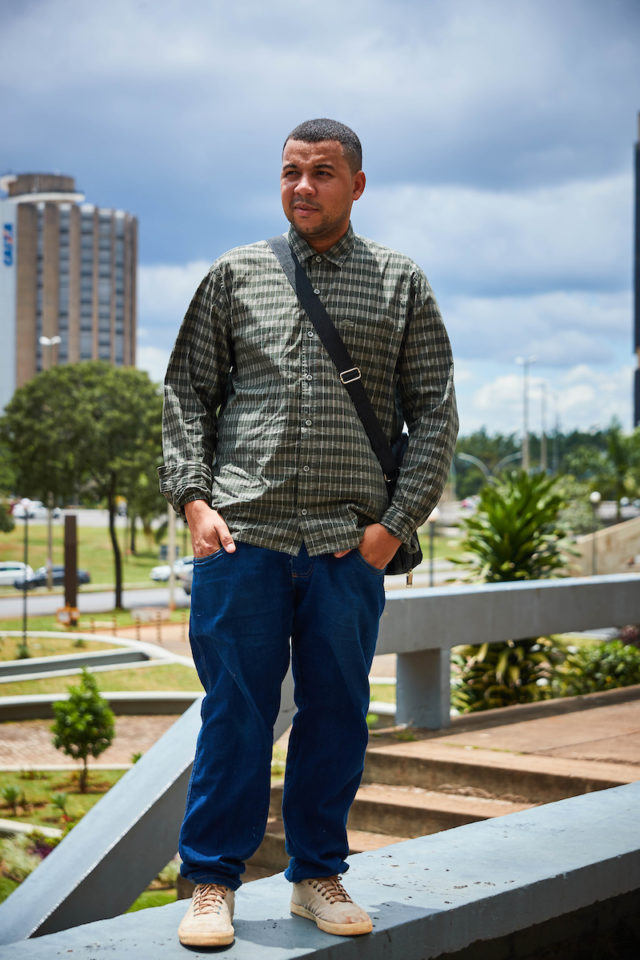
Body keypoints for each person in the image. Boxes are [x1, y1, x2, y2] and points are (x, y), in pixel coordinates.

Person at [159, 118, 458, 948]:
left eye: (322, 172)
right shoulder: (236, 274)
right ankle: (213, 883)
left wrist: (392, 530)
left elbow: (434, 412)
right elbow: (188, 393)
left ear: (357, 184)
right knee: (235, 715)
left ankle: (317, 876)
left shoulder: (400, 282)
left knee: (337, 711)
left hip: (343, 544)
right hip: (241, 537)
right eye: (291, 171)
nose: (303, 187)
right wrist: (193, 501)